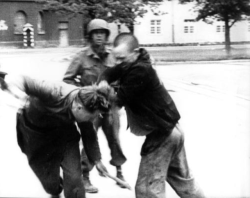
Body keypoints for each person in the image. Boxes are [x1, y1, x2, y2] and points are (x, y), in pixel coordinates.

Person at [98, 33, 206, 198]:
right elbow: (112, 71)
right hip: (172, 131)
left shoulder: (141, 71)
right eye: (116, 58)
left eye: (122, 58)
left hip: (163, 135)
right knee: (184, 183)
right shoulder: (131, 62)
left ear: (136, 52)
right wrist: (104, 79)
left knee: (146, 190)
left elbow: (119, 99)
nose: (119, 63)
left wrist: (104, 91)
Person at [0, 75, 114, 198]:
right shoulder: (53, 91)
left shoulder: (86, 105)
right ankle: (55, 191)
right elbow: (24, 81)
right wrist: (16, 94)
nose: (93, 119)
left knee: (74, 178)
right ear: (79, 108)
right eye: (92, 116)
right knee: (50, 185)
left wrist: (97, 160)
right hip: (36, 137)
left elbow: (89, 135)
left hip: (65, 136)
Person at [63, 18, 127, 193]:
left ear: (106, 35)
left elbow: (122, 79)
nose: (99, 36)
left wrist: (117, 97)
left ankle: (119, 172)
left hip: (110, 107)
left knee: (114, 138)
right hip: (90, 108)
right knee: (90, 140)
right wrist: (82, 93)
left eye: (102, 33)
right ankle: (85, 176)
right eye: (95, 33)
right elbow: (67, 80)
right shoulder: (81, 57)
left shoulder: (113, 56)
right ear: (90, 36)